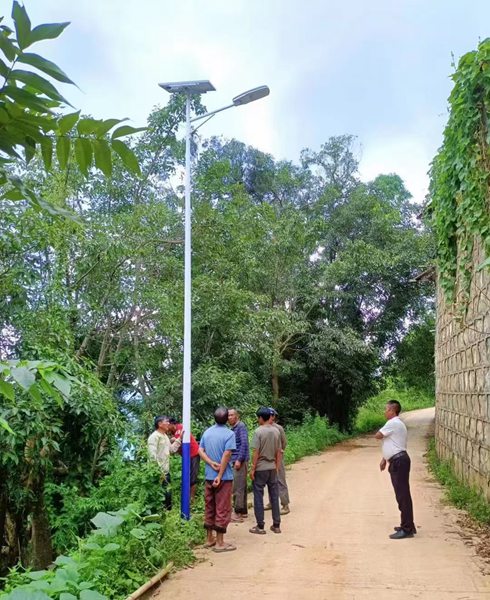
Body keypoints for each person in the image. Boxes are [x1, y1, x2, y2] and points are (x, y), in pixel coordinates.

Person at [375, 400, 416, 539]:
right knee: (402, 495)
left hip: (399, 461)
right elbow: (392, 443)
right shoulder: (397, 424)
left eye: (386, 409)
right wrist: (384, 459)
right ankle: (408, 524)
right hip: (398, 460)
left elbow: (378, 435)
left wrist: (386, 458)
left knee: (402, 495)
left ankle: (407, 528)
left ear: (392, 411)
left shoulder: (392, 423)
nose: (384, 412)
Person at [199, 407, 237, 553]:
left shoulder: (207, 432)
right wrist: (220, 476)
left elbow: (200, 451)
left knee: (209, 506)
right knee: (222, 507)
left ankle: (209, 538)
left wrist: (210, 463)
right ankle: (220, 543)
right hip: (224, 478)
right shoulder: (229, 434)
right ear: (227, 418)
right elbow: (227, 455)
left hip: (208, 476)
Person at [249, 406, 282, 535]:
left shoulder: (258, 432)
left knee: (258, 495)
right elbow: (279, 452)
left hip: (261, 468)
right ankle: (276, 524)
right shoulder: (276, 431)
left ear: (261, 418)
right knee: (274, 496)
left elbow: (256, 452)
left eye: (258, 417)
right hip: (272, 467)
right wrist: (277, 467)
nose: (258, 420)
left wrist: (253, 468)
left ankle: (260, 525)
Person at [147, 415, 182, 510]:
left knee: (167, 495)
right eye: (166, 421)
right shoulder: (154, 437)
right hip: (158, 472)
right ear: (159, 424)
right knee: (160, 495)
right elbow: (152, 456)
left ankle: (167, 514)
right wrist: (159, 471)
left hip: (166, 471)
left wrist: (179, 439)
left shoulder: (165, 436)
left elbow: (171, 450)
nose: (168, 423)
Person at [167, 418, 201, 503]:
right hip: (186, 456)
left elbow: (180, 439)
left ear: (172, 424)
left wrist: (174, 439)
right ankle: (186, 499)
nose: (167, 427)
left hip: (193, 454)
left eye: (168, 424)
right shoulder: (172, 432)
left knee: (193, 478)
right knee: (186, 477)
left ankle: (192, 500)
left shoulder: (180, 428)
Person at [228, 408, 250, 522]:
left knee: (238, 487)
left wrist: (239, 460)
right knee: (242, 486)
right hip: (237, 459)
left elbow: (244, 444)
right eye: (228, 415)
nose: (229, 417)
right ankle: (244, 511)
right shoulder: (234, 428)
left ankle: (238, 513)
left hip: (239, 460)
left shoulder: (240, 427)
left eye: (232, 415)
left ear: (237, 416)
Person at [267, 408, 290, 515]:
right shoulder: (264, 427)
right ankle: (272, 502)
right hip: (267, 458)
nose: (270, 417)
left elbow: (284, 442)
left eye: (271, 415)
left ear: (274, 416)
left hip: (278, 457)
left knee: (280, 480)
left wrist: (280, 451)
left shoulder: (278, 428)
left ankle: (285, 504)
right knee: (270, 480)